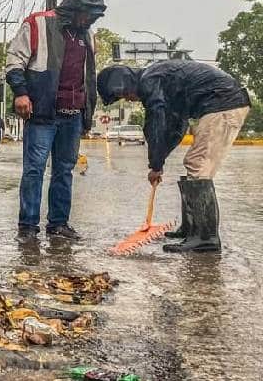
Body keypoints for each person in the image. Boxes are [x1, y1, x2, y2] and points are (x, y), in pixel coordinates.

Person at [97, 61, 250, 253]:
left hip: (223, 105)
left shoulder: (149, 81)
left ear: (124, 83)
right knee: (194, 164)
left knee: (197, 164)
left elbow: (157, 123)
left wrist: (156, 164)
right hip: (220, 105)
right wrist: (158, 163)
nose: (127, 99)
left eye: (122, 94)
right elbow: (177, 127)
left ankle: (205, 238)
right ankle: (191, 229)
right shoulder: (159, 81)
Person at [5, 0, 106, 241]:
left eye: (94, 16)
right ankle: (27, 226)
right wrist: (21, 92)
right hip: (42, 113)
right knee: (34, 169)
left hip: (72, 115)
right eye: (88, 13)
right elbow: (15, 60)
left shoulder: (88, 36)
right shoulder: (39, 23)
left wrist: (87, 112)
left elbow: (88, 76)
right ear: (74, 8)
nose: (89, 19)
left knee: (64, 170)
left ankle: (58, 224)